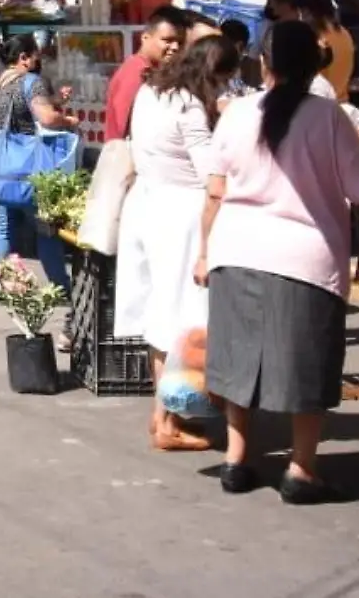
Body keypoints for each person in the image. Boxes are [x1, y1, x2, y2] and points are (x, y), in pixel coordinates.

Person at [194, 20, 359, 502]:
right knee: (308, 364)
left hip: (235, 251)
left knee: (239, 357)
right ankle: (301, 469)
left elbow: (215, 192)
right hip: (305, 259)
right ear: (313, 65)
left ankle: (236, 460)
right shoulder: (329, 117)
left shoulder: (236, 113)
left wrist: (204, 250)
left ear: (265, 64)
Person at [119, 34, 239, 453]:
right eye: (224, 79)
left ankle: (162, 415)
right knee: (180, 316)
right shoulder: (189, 105)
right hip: (182, 215)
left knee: (160, 315)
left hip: (146, 205)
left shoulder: (152, 91)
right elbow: (213, 180)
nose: (224, 88)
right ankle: (168, 418)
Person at [0, 34, 79, 303]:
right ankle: (60, 288)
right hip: (27, 171)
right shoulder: (30, 81)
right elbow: (45, 118)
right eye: (36, 55)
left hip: (4, 168)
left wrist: (56, 101)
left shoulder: (2, 83)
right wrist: (67, 120)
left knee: (3, 228)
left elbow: (23, 115)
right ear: (24, 58)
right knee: (45, 229)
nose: (39, 60)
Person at [104, 7, 185, 142]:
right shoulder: (136, 72)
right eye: (167, 40)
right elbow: (122, 127)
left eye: (179, 42)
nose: (175, 47)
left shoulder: (151, 69)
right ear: (145, 38)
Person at [299, 0, 354, 104]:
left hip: (321, 106)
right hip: (342, 103)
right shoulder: (344, 33)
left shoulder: (316, 38)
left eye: (301, 13)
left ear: (308, 12)